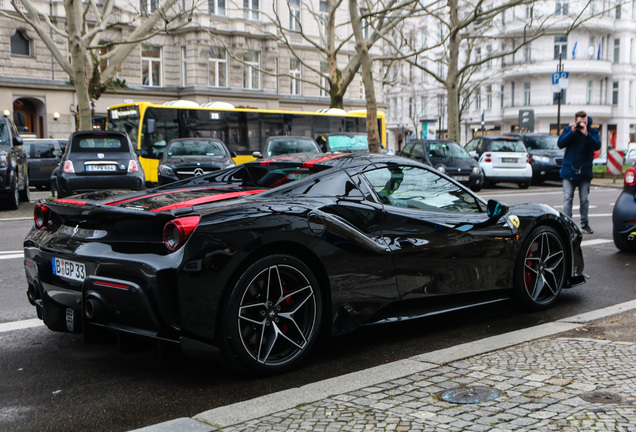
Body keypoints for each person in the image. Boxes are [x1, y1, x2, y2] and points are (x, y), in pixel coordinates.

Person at [557, 111, 601, 234]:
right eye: (580, 122)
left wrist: (586, 133)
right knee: (568, 197)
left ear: (587, 122)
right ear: (575, 121)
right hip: (568, 171)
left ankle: (585, 223)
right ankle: (567, 225)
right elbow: (560, 143)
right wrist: (571, 131)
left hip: (585, 172)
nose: (582, 124)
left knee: (584, 199)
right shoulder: (569, 130)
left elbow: (597, 145)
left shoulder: (592, 132)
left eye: (585, 122)